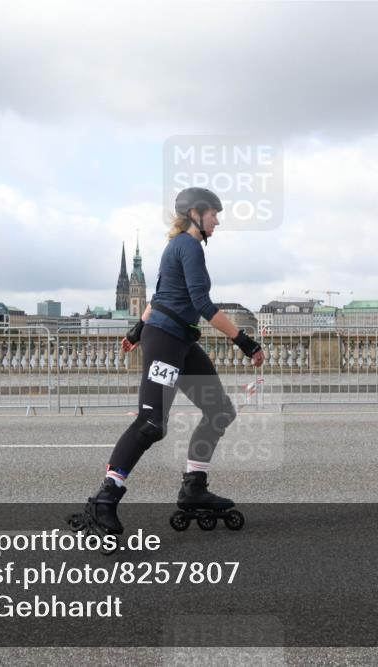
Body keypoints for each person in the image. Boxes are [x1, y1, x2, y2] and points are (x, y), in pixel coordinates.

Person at [69, 187, 265, 536]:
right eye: (214, 214)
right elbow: (203, 305)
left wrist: (136, 328)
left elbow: (159, 296)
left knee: (220, 411)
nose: (218, 220)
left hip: (180, 340)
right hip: (166, 341)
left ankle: (194, 486)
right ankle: (104, 500)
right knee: (151, 423)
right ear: (196, 214)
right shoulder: (187, 246)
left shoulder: (178, 247)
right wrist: (246, 342)